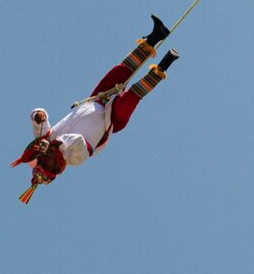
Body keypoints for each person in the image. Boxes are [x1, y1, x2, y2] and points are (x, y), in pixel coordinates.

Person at [11, 16, 179, 202]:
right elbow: (78, 141)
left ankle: (155, 37)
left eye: (40, 160)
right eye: (45, 164)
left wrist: (38, 117)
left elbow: (40, 126)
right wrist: (55, 144)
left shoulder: (48, 139)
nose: (44, 158)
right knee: (130, 98)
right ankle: (164, 65)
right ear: (55, 168)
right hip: (111, 120)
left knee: (121, 70)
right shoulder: (74, 159)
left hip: (97, 99)